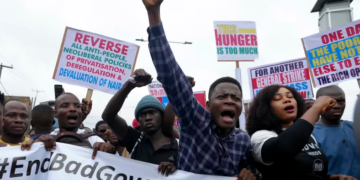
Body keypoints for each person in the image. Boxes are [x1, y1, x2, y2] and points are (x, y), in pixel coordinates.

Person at [141, 1, 256, 178]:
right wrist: (153, 13)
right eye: (223, 96)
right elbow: (171, 75)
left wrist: (249, 174)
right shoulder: (196, 121)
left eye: (236, 98)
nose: (229, 101)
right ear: (209, 106)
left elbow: (249, 168)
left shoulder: (243, 139)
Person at [246, 85, 356, 180]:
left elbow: (307, 174)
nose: (287, 100)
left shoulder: (309, 136)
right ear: (265, 108)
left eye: (290, 97)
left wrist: (331, 178)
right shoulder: (261, 135)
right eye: (277, 98)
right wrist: (316, 108)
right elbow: (284, 149)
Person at [102, 69, 178, 177]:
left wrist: (177, 170)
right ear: (138, 121)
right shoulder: (135, 139)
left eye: (152, 113)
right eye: (142, 115)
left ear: (162, 116)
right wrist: (129, 85)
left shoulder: (180, 146)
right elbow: (108, 116)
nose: (147, 117)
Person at [313, 85, 360, 179]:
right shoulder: (311, 135)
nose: (337, 106)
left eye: (341, 101)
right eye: (330, 102)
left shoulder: (353, 127)